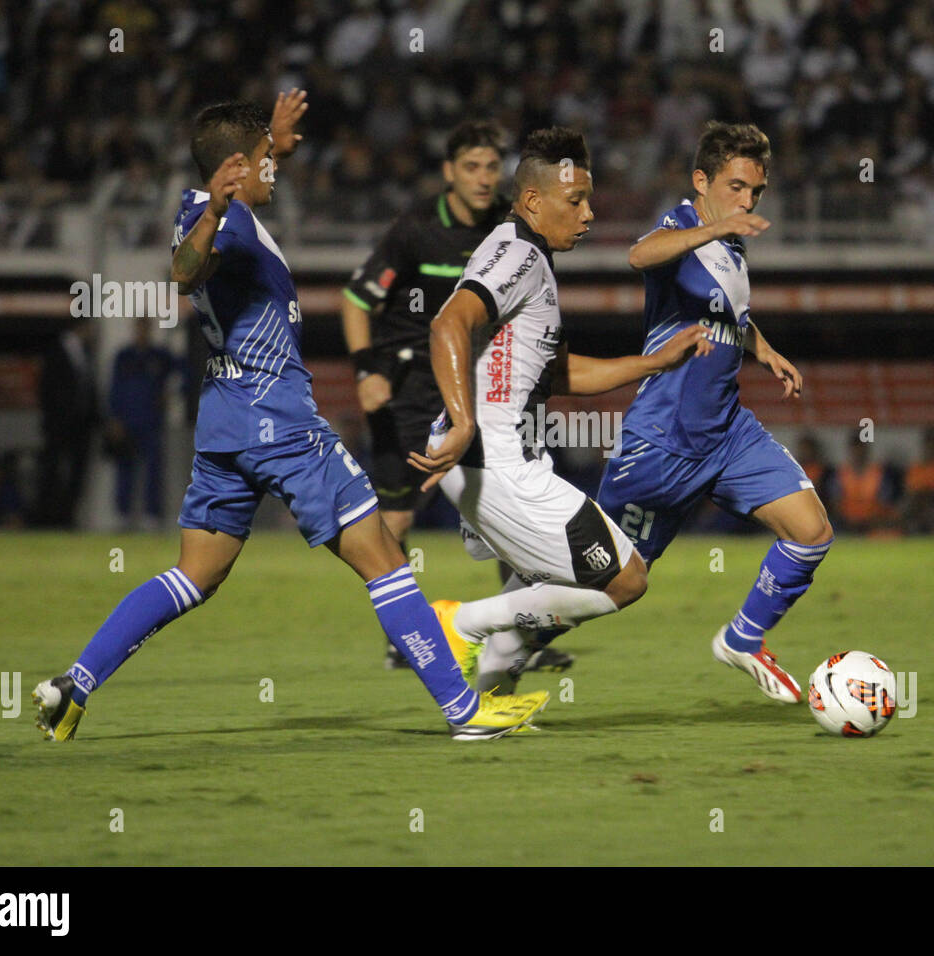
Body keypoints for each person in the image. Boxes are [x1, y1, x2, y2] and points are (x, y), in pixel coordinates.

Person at [31, 93, 547, 743]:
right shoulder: (222, 218)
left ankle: (73, 685)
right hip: (278, 416)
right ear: (237, 172)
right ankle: (464, 712)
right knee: (385, 560)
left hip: (226, 417)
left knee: (197, 572)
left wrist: (265, 146)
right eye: (266, 161)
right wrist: (221, 206)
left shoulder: (219, 206)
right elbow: (185, 274)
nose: (278, 169)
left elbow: (217, 224)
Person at [409, 127, 712, 699]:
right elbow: (448, 321)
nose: (589, 214)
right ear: (532, 201)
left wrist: (655, 364)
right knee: (626, 579)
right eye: (576, 201)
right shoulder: (517, 254)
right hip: (495, 459)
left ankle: (486, 712)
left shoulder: (531, 261)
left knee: (549, 583)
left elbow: (561, 376)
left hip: (500, 457)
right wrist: (464, 420)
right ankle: (461, 623)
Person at [593, 121, 830, 704]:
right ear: (701, 181)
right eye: (735, 187)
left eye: (755, 192)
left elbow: (730, 315)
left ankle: (743, 639)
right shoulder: (681, 227)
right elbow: (637, 254)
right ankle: (496, 633)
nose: (747, 201)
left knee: (812, 532)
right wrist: (716, 226)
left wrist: (765, 350)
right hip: (663, 442)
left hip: (727, 434)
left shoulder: (731, 243)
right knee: (607, 584)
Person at [341, 120, 572, 674]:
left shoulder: (510, 231)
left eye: (492, 167)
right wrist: (366, 370)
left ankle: (518, 636)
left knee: (505, 509)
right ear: (448, 172)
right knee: (395, 518)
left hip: (471, 393)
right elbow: (355, 299)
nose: (482, 178)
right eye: (470, 166)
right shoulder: (416, 229)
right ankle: (409, 639)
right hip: (406, 390)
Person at [107, 318, 187, 530]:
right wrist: (115, 418)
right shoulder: (124, 357)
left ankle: (152, 514)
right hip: (127, 422)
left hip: (152, 422)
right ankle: (123, 514)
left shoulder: (159, 356)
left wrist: (172, 393)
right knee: (125, 470)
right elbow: (114, 389)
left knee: (153, 470)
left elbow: (185, 369)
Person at [36, 316, 100, 527]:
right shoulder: (55, 351)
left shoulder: (86, 353)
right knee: (54, 472)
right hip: (59, 427)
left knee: (76, 475)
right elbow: (47, 391)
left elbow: (88, 391)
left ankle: (67, 518)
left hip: (81, 428)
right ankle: (47, 519)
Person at [833, 431, 898, 535]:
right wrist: (847, 521)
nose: (858, 453)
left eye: (860, 448)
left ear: (866, 450)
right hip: (846, 525)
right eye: (855, 449)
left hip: (874, 524)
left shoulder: (879, 473)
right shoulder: (841, 474)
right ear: (850, 450)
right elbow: (834, 504)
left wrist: (871, 521)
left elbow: (886, 503)